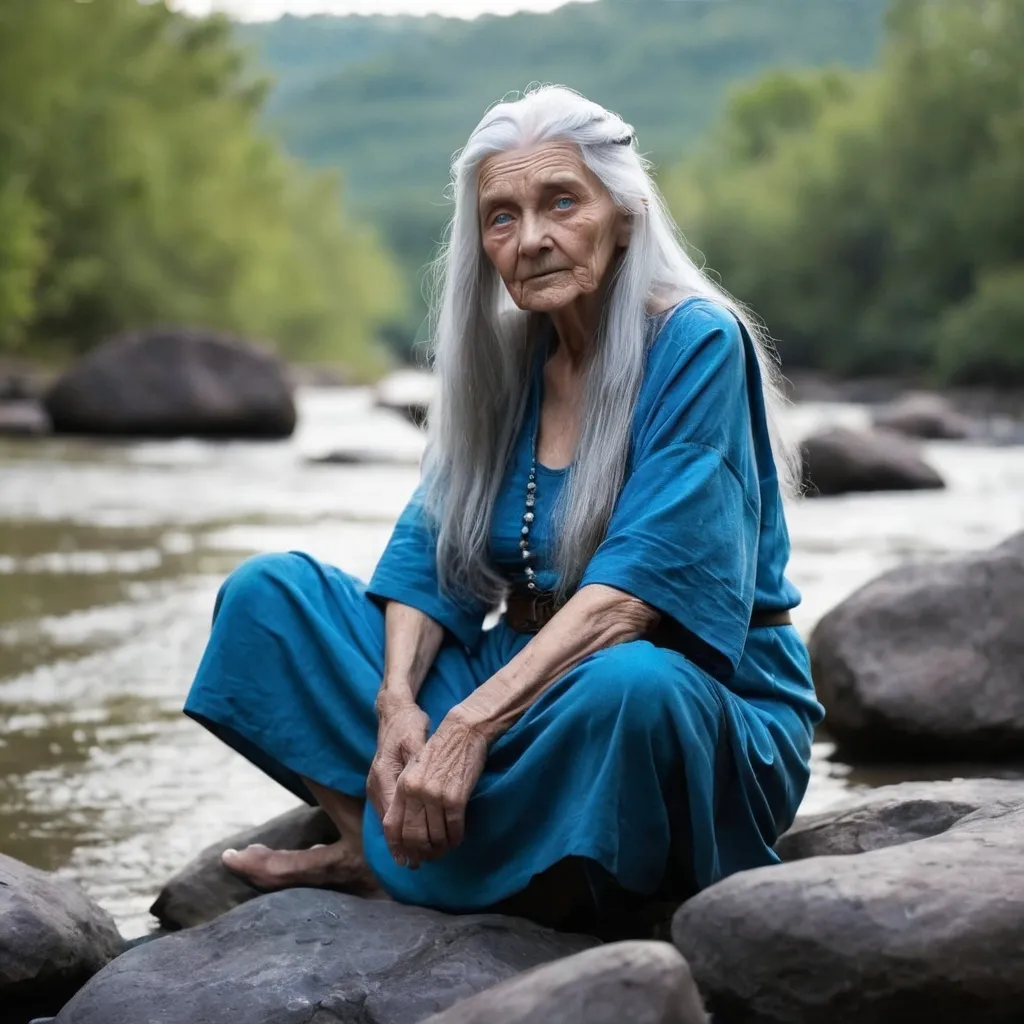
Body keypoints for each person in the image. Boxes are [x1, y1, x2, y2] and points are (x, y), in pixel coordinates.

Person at [184, 85, 824, 931]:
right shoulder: (508, 356)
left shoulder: (697, 342)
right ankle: (394, 843)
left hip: (690, 691)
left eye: (562, 202)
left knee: (633, 688)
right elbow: (431, 557)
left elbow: (638, 599)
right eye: (501, 216)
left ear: (624, 214)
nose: (531, 239)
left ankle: (391, 862)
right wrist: (399, 710)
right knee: (269, 598)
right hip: (518, 668)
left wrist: (466, 730)